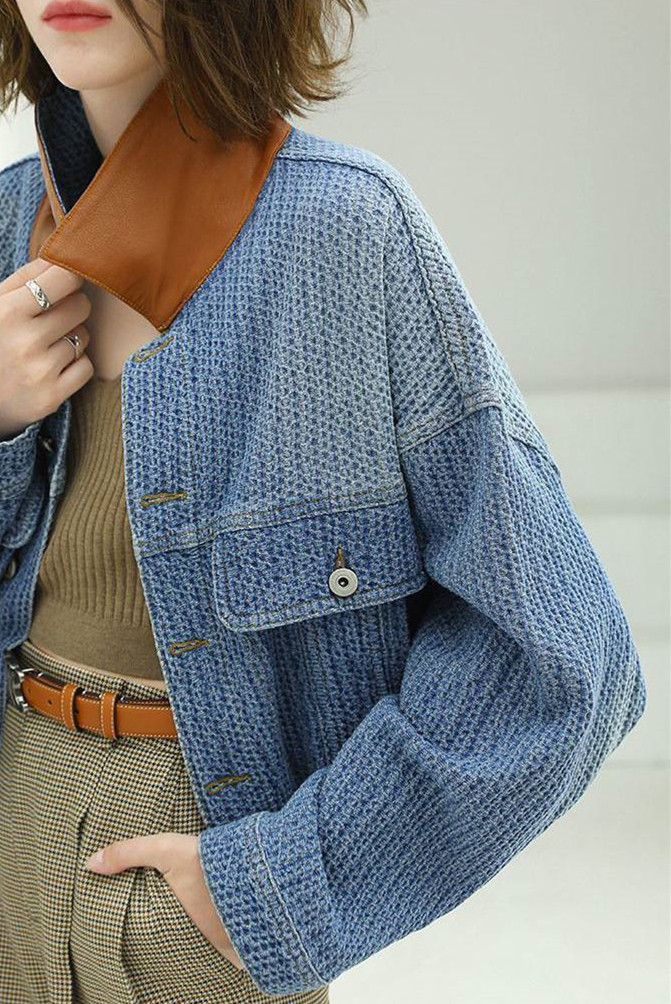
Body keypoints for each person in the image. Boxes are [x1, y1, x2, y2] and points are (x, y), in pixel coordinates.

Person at [0, 0, 647, 1002]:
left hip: (193, 881)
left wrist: (286, 885)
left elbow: (561, 654)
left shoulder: (344, 229)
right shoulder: (8, 223)